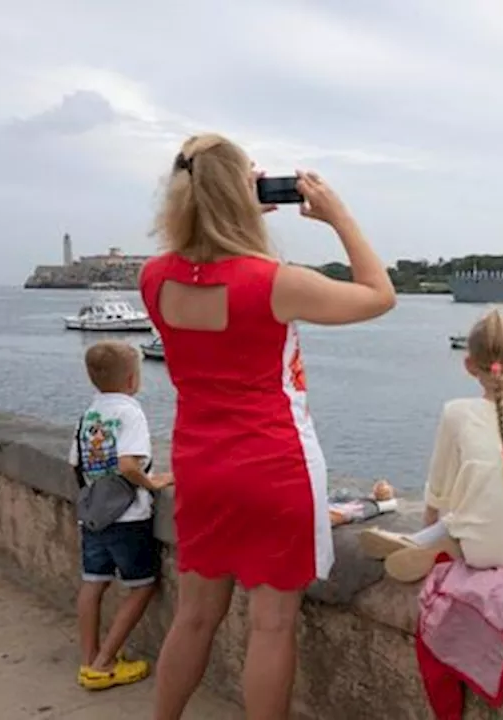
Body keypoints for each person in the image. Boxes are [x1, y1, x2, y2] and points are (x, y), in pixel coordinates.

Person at [138, 133, 397, 720]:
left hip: (200, 466)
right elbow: (379, 295)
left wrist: (224, 207)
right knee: (272, 626)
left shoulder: (154, 279)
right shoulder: (274, 282)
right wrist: (338, 216)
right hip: (273, 465)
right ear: (240, 193)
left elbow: (205, 272)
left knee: (196, 616)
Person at [358, 308, 503, 582]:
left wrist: (431, 521)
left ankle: (422, 542)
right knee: (477, 509)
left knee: (459, 515)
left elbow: (438, 492)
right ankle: (425, 543)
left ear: (470, 365)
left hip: (477, 552)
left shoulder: (456, 413)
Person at [70, 340, 173, 691]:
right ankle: (104, 664)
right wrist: (151, 482)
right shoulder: (130, 411)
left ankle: (88, 658)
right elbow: (129, 463)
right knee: (142, 587)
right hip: (128, 518)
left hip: (95, 516)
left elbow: (76, 462)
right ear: (132, 379)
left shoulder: (89, 414)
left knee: (93, 583)